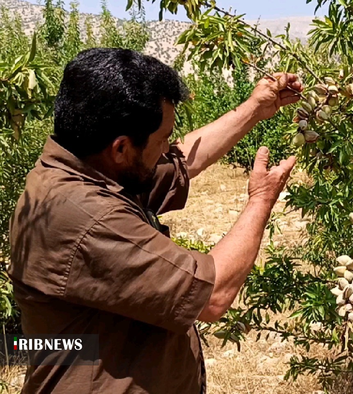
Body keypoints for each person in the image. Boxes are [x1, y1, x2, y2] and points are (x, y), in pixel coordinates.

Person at [7, 47, 301, 393]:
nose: (167, 150)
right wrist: (261, 199)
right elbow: (213, 294)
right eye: (162, 140)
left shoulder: (85, 168)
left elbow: (181, 162)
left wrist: (256, 107)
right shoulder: (87, 217)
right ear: (120, 149)